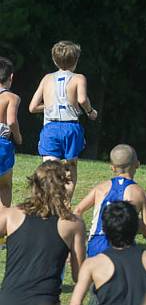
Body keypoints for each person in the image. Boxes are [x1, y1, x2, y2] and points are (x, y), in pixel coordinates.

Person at [0, 162, 86, 305]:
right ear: (63, 186)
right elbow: (79, 274)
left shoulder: (12, 215)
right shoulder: (72, 224)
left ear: (34, 185)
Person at [29, 41, 98, 193]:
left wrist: (50, 105)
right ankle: (65, 205)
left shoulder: (47, 78)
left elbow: (32, 107)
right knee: (70, 168)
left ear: (54, 60)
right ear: (76, 60)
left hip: (51, 127)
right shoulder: (79, 78)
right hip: (70, 127)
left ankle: (48, 203)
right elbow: (81, 99)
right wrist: (90, 111)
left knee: (49, 170)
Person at [76, 145, 146, 258]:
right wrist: (133, 221)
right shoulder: (140, 193)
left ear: (112, 167)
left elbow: (77, 211)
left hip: (97, 244)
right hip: (124, 246)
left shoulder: (100, 188)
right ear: (137, 164)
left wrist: (80, 238)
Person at [0, 58, 23, 207]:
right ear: (11, 77)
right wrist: (18, 137)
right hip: (2, 144)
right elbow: (11, 121)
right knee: (5, 186)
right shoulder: (12, 97)